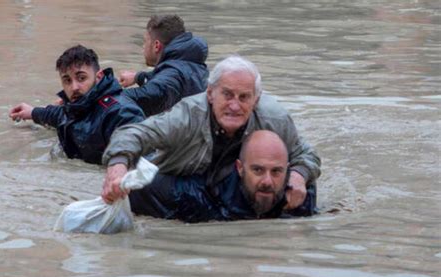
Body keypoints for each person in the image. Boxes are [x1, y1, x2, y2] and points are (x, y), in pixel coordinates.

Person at [102, 55, 321, 211]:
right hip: (186, 184)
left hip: (235, 185)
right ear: (210, 94)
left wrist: (299, 175)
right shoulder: (186, 116)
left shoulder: (275, 119)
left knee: (305, 192)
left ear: (256, 99)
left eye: (244, 97)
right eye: (227, 95)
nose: (234, 106)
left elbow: (306, 156)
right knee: (138, 188)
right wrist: (117, 167)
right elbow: (132, 134)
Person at [129, 130, 317, 222]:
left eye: (276, 172)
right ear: (240, 168)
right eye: (258, 170)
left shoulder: (299, 196)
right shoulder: (196, 196)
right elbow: (138, 185)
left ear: (287, 170)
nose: (268, 181)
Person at [8, 45, 144, 165]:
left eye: (81, 78)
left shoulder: (120, 112)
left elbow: (139, 150)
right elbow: (60, 115)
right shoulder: (77, 106)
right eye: (67, 80)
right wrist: (32, 112)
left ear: (99, 77)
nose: (74, 87)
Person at [119, 15, 209, 117]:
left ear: (156, 46)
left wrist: (106, 96)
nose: (143, 47)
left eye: (145, 41)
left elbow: (155, 92)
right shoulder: (190, 63)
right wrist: (138, 77)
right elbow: (165, 80)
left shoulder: (172, 75)